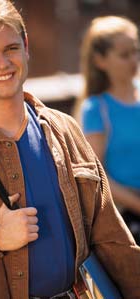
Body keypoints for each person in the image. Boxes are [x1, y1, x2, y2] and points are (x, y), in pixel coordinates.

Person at [0, 2, 139, 298]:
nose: (3, 63)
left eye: (10, 49)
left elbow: (111, 237)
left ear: (26, 47)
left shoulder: (65, 129)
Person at [78, 15, 140, 245]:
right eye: (124, 55)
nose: (133, 59)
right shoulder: (96, 108)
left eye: (136, 51)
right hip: (127, 215)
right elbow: (99, 176)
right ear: (100, 61)